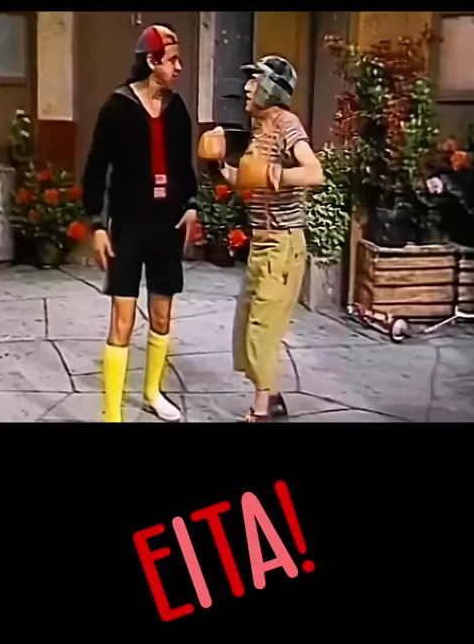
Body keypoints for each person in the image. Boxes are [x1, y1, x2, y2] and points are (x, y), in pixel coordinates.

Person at [82, 23, 198, 423]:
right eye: (172, 60)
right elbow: (96, 169)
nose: (179, 67)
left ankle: (152, 392)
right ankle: (113, 414)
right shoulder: (117, 108)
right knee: (123, 319)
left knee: (162, 316)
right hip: (128, 225)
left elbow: (183, 166)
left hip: (167, 225)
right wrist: (97, 224)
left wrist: (191, 205)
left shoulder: (177, 109)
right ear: (151, 61)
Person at [218, 55, 324, 422]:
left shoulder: (286, 125)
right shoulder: (261, 129)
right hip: (262, 244)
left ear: (272, 89)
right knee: (246, 326)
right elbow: (249, 179)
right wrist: (220, 166)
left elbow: (315, 173)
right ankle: (273, 398)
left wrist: (277, 174)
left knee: (262, 331)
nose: (247, 88)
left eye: (255, 81)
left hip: (282, 245)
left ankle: (262, 411)